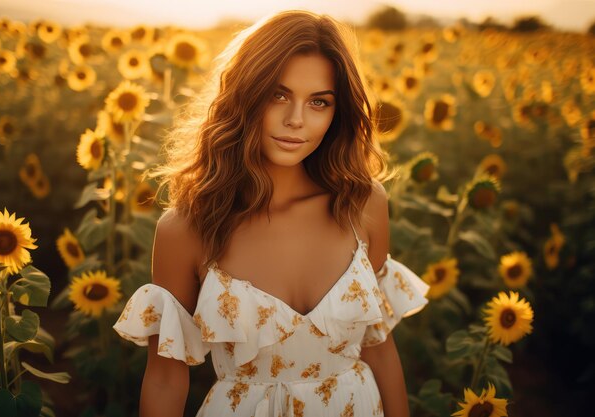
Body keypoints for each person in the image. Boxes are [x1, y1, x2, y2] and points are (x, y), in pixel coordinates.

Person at [113, 10, 429, 417]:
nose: (296, 120)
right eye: (278, 95)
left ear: (338, 113)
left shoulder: (364, 205)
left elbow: (378, 345)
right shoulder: (187, 228)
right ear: (245, 95)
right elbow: (165, 378)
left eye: (318, 102)